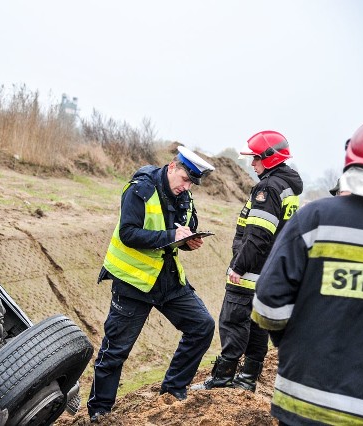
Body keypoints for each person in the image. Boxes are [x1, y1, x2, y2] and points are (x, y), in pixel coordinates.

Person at [251, 113, 363, 425]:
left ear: (351, 160)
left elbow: (267, 310)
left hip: (301, 404)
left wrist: (298, 344)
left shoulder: (314, 219)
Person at [87, 145, 217, 423]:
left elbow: (184, 229)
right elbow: (128, 233)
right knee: (115, 351)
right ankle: (100, 411)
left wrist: (190, 242)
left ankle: (172, 391)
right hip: (133, 283)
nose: (187, 186)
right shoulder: (139, 189)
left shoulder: (186, 197)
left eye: (192, 183)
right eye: (185, 179)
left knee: (202, 326)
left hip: (168, 279)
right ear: (172, 167)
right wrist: (170, 235)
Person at [193, 130, 303, 392]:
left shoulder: (268, 188)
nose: (252, 164)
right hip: (269, 271)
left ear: (269, 158)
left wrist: (239, 266)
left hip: (251, 270)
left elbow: (258, 235)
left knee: (233, 321)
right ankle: (247, 379)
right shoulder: (288, 187)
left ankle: (223, 376)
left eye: (255, 159)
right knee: (256, 326)